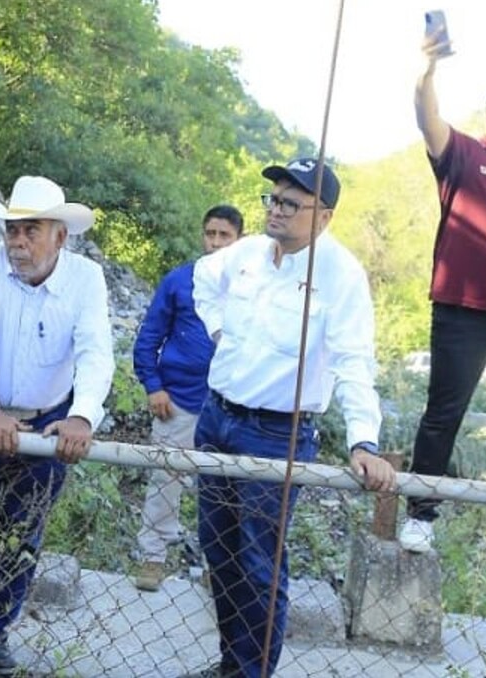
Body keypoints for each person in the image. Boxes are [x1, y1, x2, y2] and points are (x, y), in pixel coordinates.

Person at [183, 159, 397, 678]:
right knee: (219, 553)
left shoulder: (341, 275)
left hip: (276, 435)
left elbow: (353, 363)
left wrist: (364, 441)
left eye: (290, 203)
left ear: (323, 217)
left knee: (259, 565)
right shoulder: (246, 254)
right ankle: (232, 664)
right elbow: (202, 279)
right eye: (273, 199)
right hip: (216, 420)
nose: (276, 210)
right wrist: (217, 331)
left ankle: (251, 673)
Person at [0, 176, 114, 676]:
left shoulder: (86, 278)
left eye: (31, 230)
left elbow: (96, 351)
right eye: (12, 229)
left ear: (60, 236)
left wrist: (82, 415)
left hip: (49, 419)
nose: (17, 242)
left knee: (21, 534)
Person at [399, 27, 486, 554]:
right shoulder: (464, 152)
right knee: (444, 412)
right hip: (465, 309)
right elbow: (427, 115)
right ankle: (421, 512)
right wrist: (428, 68)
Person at [133, 205, 243, 592]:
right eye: (210, 234)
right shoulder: (180, 281)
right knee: (164, 480)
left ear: (240, 240)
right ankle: (152, 557)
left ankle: (220, 568)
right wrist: (153, 385)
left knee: (226, 490)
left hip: (231, 408)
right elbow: (149, 336)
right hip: (177, 401)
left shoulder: (251, 287)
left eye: (224, 235)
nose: (215, 242)